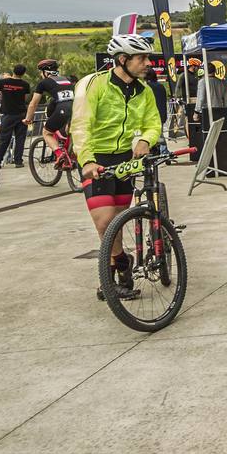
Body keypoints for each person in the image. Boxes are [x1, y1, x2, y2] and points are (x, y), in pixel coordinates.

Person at [72, 35, 163, 301]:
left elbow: (153, 122)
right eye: (142, 58)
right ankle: (123, 263)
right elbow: (80, 125)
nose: (148, 63)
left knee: (117, 222)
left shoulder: (143, 90)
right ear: (123, 60)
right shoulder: (94, 85)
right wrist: (87, 159)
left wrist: (146, 139)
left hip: (125, 160)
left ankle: (112, 280)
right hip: (96, 159)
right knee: (105, 223)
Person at [24, 59, 75, 163]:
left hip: (63, 109)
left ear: (45, 72)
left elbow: (33, 103)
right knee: (69, 131)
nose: (41, 75)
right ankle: (73, 156)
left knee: (47, 133)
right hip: (76, 108)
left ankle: (59, 154)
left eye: (41, 72)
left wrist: (28, 119)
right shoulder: (67, 79)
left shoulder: (43, 82)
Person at [0, 64, 31, 168]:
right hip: (21, 114)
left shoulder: (3, 82)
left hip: (8, 114)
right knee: (20, 139)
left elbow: (0, 95)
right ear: (23, 73)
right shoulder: (25, 84)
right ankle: (18, 161)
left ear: (13, 71)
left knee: (4, 139)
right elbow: (25, 98)